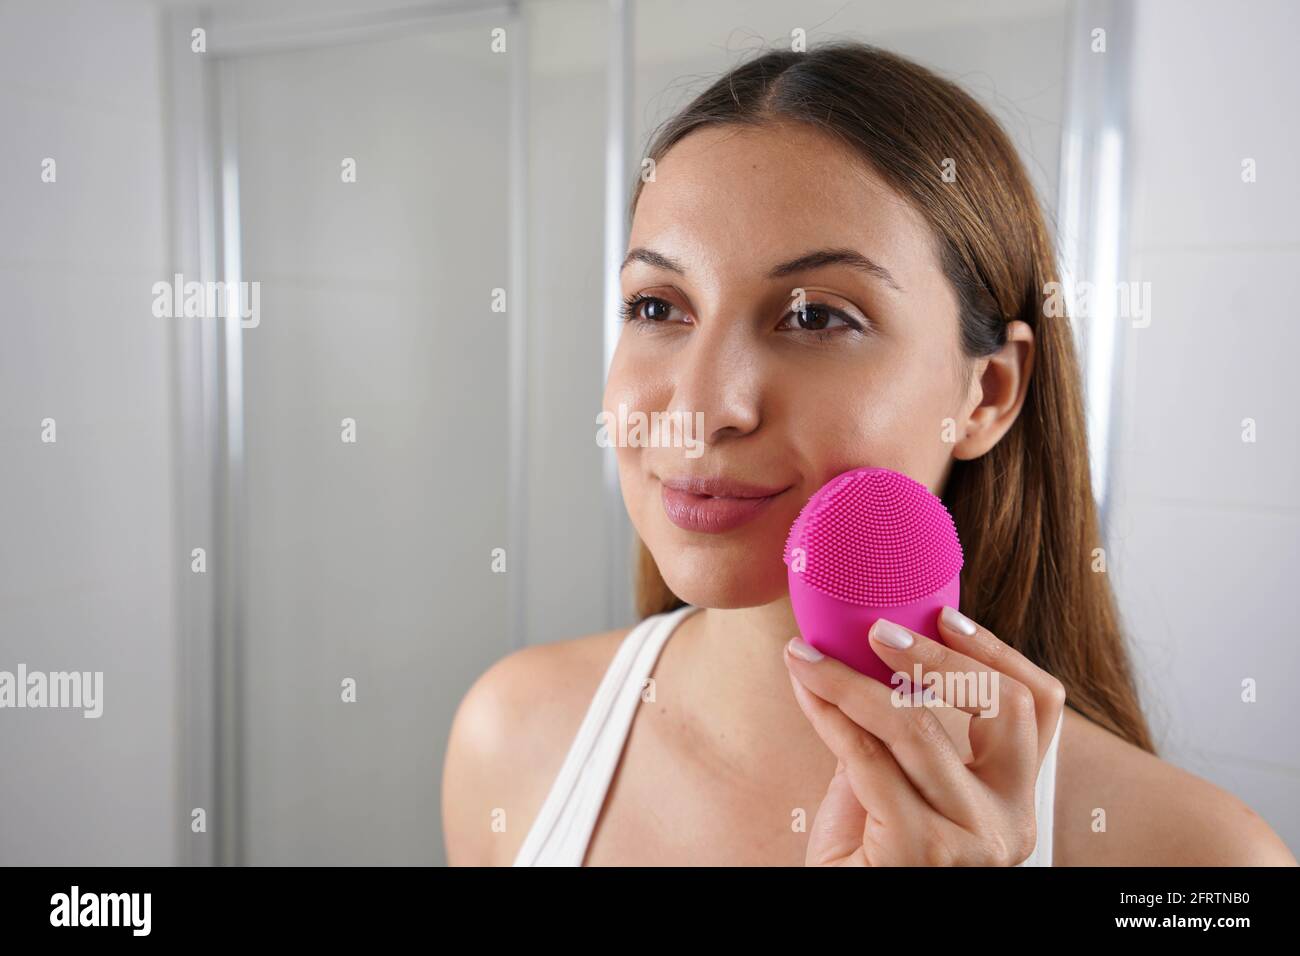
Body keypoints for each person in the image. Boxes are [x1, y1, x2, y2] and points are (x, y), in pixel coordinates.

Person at [442, 40, 1296, 866]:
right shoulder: (513, 734)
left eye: (816, 317)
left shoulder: (1194, 859)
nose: (701, 410)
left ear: (988, 393)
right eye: (658, 307)